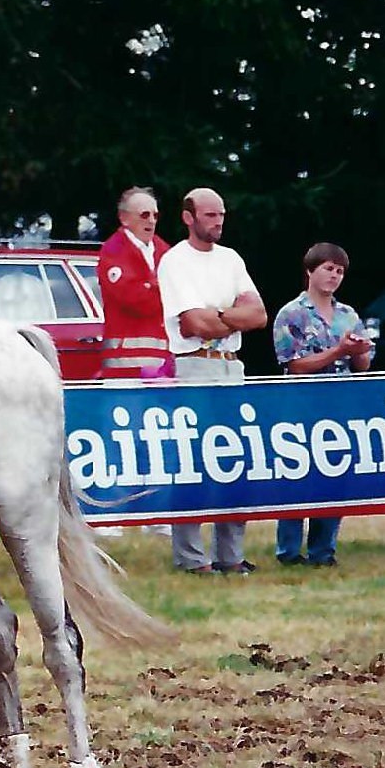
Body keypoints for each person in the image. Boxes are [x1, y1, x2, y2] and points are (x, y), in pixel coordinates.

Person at [157, 186, 268, 575]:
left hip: (231, 365)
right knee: (194, 459)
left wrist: (217, 314)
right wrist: (230, 315)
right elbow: (191, 323)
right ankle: (190, 557)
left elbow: (257, 315)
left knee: (234, 458)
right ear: (188, 217)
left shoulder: (231, 258)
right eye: (209, 215)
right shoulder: (174, 261)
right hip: (194, 365)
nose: (218, 221)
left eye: (221, 214)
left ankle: (231, 554)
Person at [273, 242, 374, 567]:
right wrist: (337, 352)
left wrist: (359, 351)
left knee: (335, 476)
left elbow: (363, 365)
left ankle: (323, 551)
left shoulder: (348, 315)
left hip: (340, 405)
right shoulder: (292, 314)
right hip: (302, 405)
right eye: (328, 269)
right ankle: (289, 551)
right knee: (297, 477)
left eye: (339, 271)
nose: (334, 276)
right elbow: (294, 364)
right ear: (310, 271)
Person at [96, 186, 172, 379]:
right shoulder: (113, 250)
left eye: (155, 215)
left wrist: (151, 285)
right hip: (125, 364)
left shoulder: (165, 250)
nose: (152, 221)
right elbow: (136, 299)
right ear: (124, 218)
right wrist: (162, 287)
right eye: (144, 215)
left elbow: (182, 293)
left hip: (164, 361)